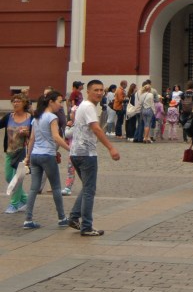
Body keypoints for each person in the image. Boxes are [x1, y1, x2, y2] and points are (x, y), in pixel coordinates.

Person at [67, 79, 121, 236]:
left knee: (86, 187)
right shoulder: (89, 107)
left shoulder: (83, 106)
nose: (99, 93)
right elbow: (96, 128)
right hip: (86, 154)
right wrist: (111, 148)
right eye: (95, 90)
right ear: (88, 92)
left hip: (76, 152)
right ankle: (86, 226)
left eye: (101, 90)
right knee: (89, 190)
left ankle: (74, 217)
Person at [22, 91, 72, 229]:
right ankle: (62, 218)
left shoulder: (36, 117)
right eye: (59, 102)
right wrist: (70, 149)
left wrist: (28, 156)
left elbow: (32, 139)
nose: (60, 105)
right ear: (51, 102)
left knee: (33, 188)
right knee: (56, 187)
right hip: (47, 155)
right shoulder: (52, 117)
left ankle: (28, 219)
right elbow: (56, 137)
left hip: (35, 156)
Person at [2, 94, 32, 214]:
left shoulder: (30, 117)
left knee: (18, 178)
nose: (15, 103)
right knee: (9, 177)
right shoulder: (8, 117)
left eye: (18, 101)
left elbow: (35, 134)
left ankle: (14, 204)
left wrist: (27, 133)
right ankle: (25, 199)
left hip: (22, 153)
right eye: (14, 101)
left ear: (24, 103)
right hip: (9, 152)